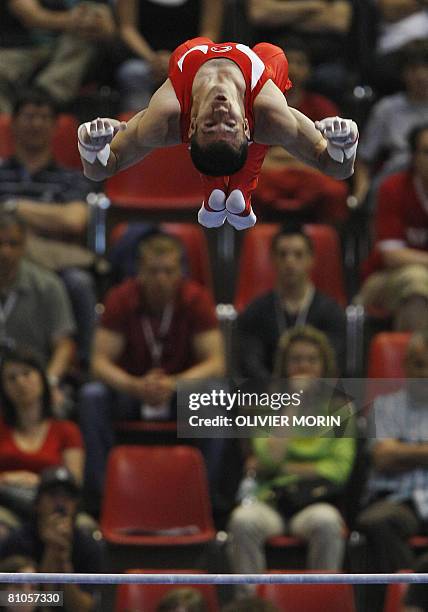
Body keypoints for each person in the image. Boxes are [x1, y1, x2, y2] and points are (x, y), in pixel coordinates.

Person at [77, 37, 358, 230]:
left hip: (190, 57)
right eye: (232, 125)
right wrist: (345, 144)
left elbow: (102, 168)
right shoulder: (269, 112)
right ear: (247, 127)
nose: (222, 113)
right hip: (258, 85)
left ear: (191, 124)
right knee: (271, 53)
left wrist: (91, 147)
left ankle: (216, 188)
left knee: (195, 45)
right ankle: (240, 192)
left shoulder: (165, 115)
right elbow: (336, 169)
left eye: (210, 125)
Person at [78, 233, 225, 506]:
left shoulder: (196, 299)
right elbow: (99, 363)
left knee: (216, 394)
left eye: (169, 271)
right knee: (92, 396)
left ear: (180, 272)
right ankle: (100, 500)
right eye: (153, 271)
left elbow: (216, 364)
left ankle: (208, 499)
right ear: (140, 272)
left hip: (178, 394)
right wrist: (133, 385)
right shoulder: (121, 298)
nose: (161, 279)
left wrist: (174, 384)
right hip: (131, 392)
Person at [227, 326, 355, 596]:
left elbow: (339, 470)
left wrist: (283, 467)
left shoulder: (340, 408)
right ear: (284, 366)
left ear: (324, 366)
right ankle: (250, 606)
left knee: (328, 522)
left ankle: (321, 602)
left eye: (312, 360)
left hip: (313, 502)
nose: (304, 367)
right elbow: (269, 457)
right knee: (241, 521)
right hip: (271, 500)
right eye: (296, 360)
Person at [0, 88, 97, 368]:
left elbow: (73, 221)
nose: (36, 124)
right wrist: (47, 217)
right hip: (4, 260)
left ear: (55, 126)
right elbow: (61, 219)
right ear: (14, 123)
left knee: (80, 282)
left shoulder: (71, 179)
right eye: (29, 116)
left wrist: (12, 207)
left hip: (53, 266)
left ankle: (85, 367)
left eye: (44, 117)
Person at [355, 331, 428, 610]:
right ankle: (410, 598)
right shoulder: (385, 406)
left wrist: (404, 451)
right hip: (396, 501)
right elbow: (383, 457)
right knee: (377, 521)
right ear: (406, 365)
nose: (424, 373)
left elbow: (393, 452)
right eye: (419, 365)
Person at [237, 224, 346, 380]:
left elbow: (333, 364)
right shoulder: (255, 312)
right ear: (272, 259)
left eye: (298, 255)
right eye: (282, 254)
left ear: (311, 259)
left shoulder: (331, 313)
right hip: (270, 397)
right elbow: (250, 366)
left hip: (319, 396)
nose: (290, 262)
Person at [0, 346, 84, 540]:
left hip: (55, 508)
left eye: (26, 374)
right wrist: (9, 479)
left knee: (80, 531)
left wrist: (39, 482)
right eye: (11, 378)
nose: (20, 382)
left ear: (42, 378)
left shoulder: (67, 430)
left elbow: (75, 483)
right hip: (5, 507)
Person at [0, 466, 103, 612]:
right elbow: (4, 598)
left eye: (67, 497)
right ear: (37, 503)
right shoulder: (17, 541)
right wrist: (50, 550)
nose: (60, 504)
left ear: (75, 505)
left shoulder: (88, 546)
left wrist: (64, 561)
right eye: (53, 495)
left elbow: (85, 608)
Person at [357, 123, 428, 331]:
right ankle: (415, 362)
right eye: (426, 152)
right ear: (414, 158)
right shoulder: (393, 188)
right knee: (416, 281)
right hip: (383, 279)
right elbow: (392, 257)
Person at [0, 211, 76, 388]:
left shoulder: (48, 285)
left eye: (13, 244)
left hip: (35, 382)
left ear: (24, 245)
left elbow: (64, 345)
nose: (5, 252)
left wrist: (49, 383)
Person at [0, 0, 115, 114]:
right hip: (23, 47)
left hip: (72, 48)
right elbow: (32, 17)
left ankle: (46, 98)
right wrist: (73, 20)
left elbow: (108, 27)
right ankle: (5, 124)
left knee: (83, 39)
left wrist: (101, 27)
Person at [351, 39, 428, 208]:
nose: (421, 76)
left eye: (426, 68)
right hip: (396, 180)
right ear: (403, 73)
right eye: (414, 69)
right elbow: (364, 159)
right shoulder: (387, 109)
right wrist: (359, 195)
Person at [115, 0, 224, 111]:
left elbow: (210, 32)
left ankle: (192, 121)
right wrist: (152, 58)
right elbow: (127, 28)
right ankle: (135, 122)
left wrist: (178, 59)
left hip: (189, 59)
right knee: (133, 72)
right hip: (146, 59)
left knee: (207, 75)